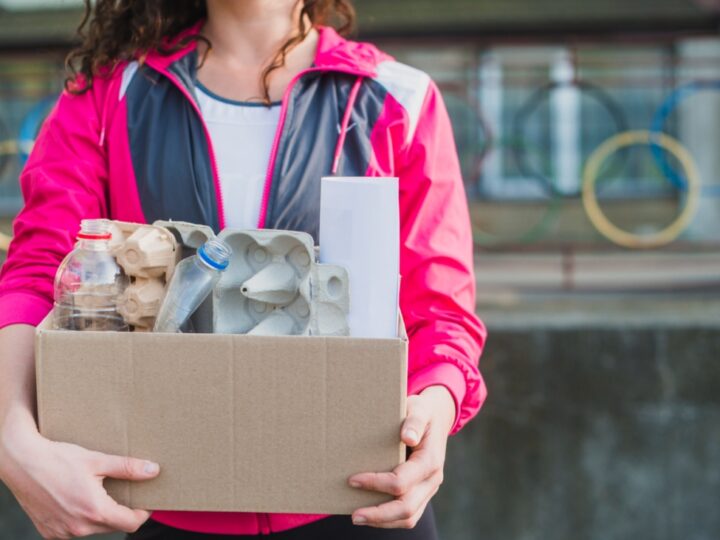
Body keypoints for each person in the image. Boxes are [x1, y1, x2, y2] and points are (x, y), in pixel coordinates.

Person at [0, 0, 487, 538]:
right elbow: (39, 273)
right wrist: (10, 436)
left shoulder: (398, 96)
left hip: (361, 498)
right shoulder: (109, 95)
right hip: (161, 495)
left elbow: (440, 312)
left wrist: (434, 414)